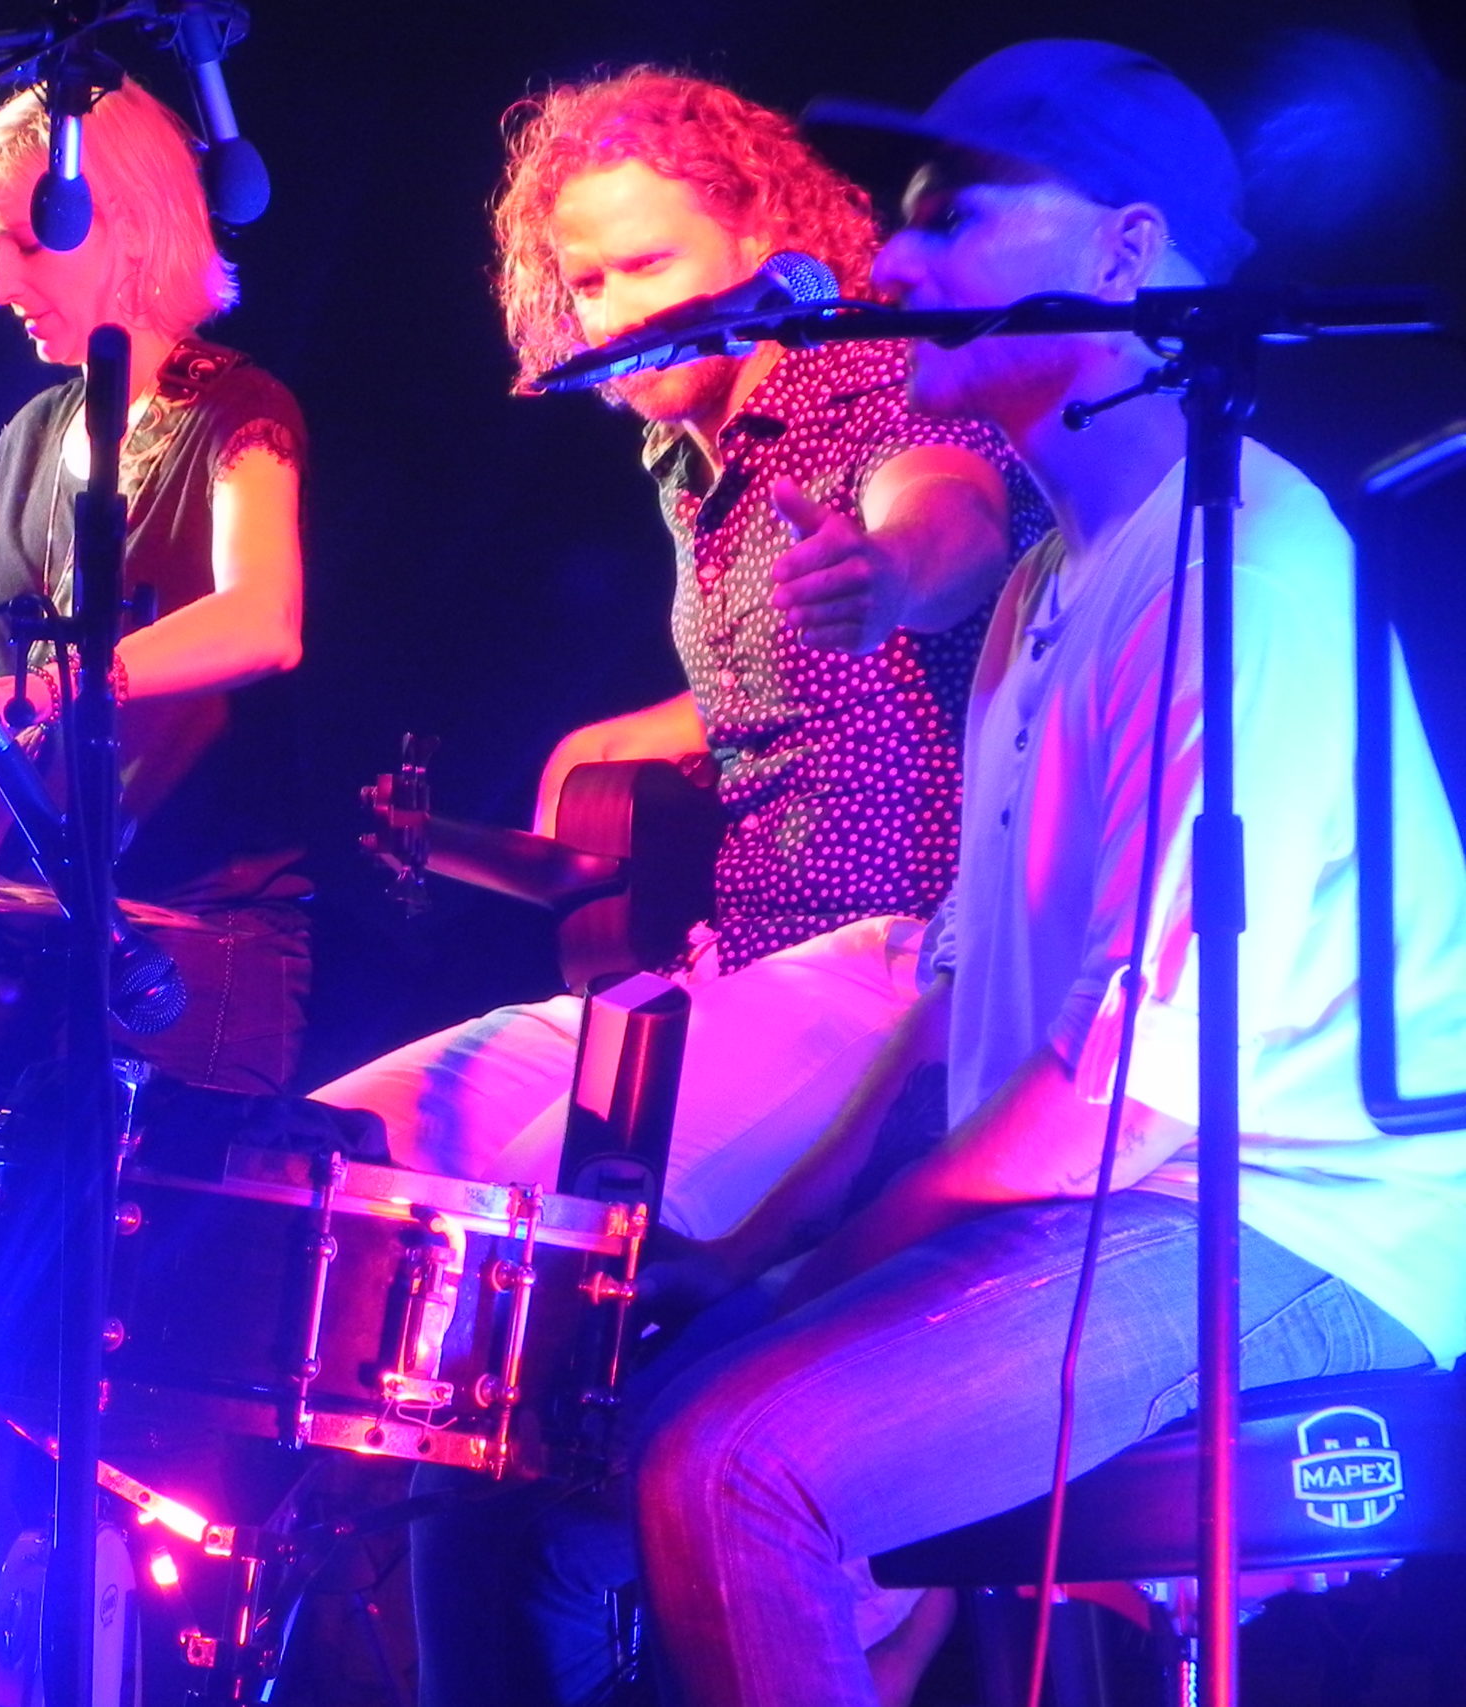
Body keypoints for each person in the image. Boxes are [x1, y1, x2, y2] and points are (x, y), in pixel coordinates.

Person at [626, 42, 1466, 1707]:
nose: (892, 258)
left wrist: (819, 1275)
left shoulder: (1242, 568)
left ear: (1128, 249)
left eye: (953, 215)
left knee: (734, 1466)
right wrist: (748, 1248)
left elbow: (1119, 1100)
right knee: (589, 1450)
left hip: (1295, 1222)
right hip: (1121, 1200)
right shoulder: (1040, 594)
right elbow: (954, 1023)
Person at [311, 67, 1047, 1250]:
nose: (613, 315)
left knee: (540, 1211)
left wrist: (889, 571)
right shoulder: (686, 458)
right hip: (735, 960)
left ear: (762, 238)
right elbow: (801, 678)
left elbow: (953, 511)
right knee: (347, 1143)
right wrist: (645, 729)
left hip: (894, 958)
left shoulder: (858, 378)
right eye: (587, 281)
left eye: (648, 265)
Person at [0, 77, 311, 1094]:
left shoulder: (241, 412)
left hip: (188, 940)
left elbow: (265, 619)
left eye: (24, 244)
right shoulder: (27, 438)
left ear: (127, 226)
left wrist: (43, 687)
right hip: (42, 930)